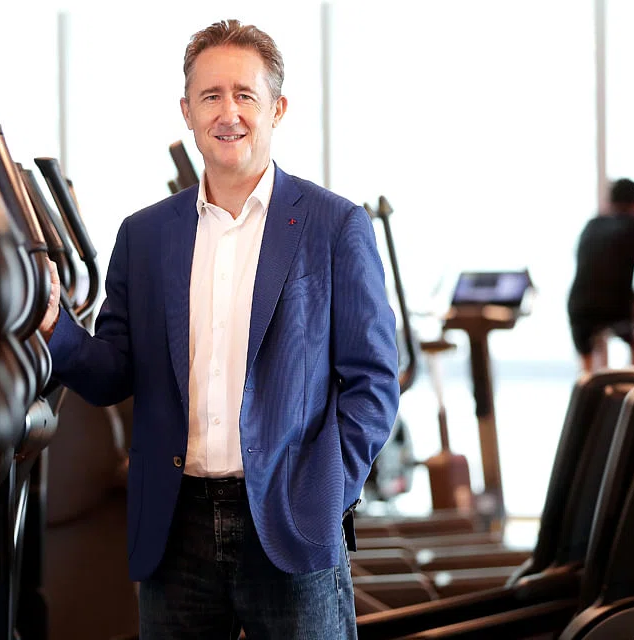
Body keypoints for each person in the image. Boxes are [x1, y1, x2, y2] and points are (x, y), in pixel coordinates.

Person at [39, 19, 399, 639]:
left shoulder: (335, 226)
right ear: (187, 111)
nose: (227, 113)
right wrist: (53, 325)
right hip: (174, 526)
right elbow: (113, 372)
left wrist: (327, 490)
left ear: (276, 109)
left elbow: (373, 381)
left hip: (290, 522)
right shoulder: (144, 235)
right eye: (210, 96)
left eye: (244, 95)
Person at [567, 178, 634, 373]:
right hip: (615, 303)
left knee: (587, 372)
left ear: (611, 201)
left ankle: (589, 388)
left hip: (578, 304)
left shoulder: (592, 224)